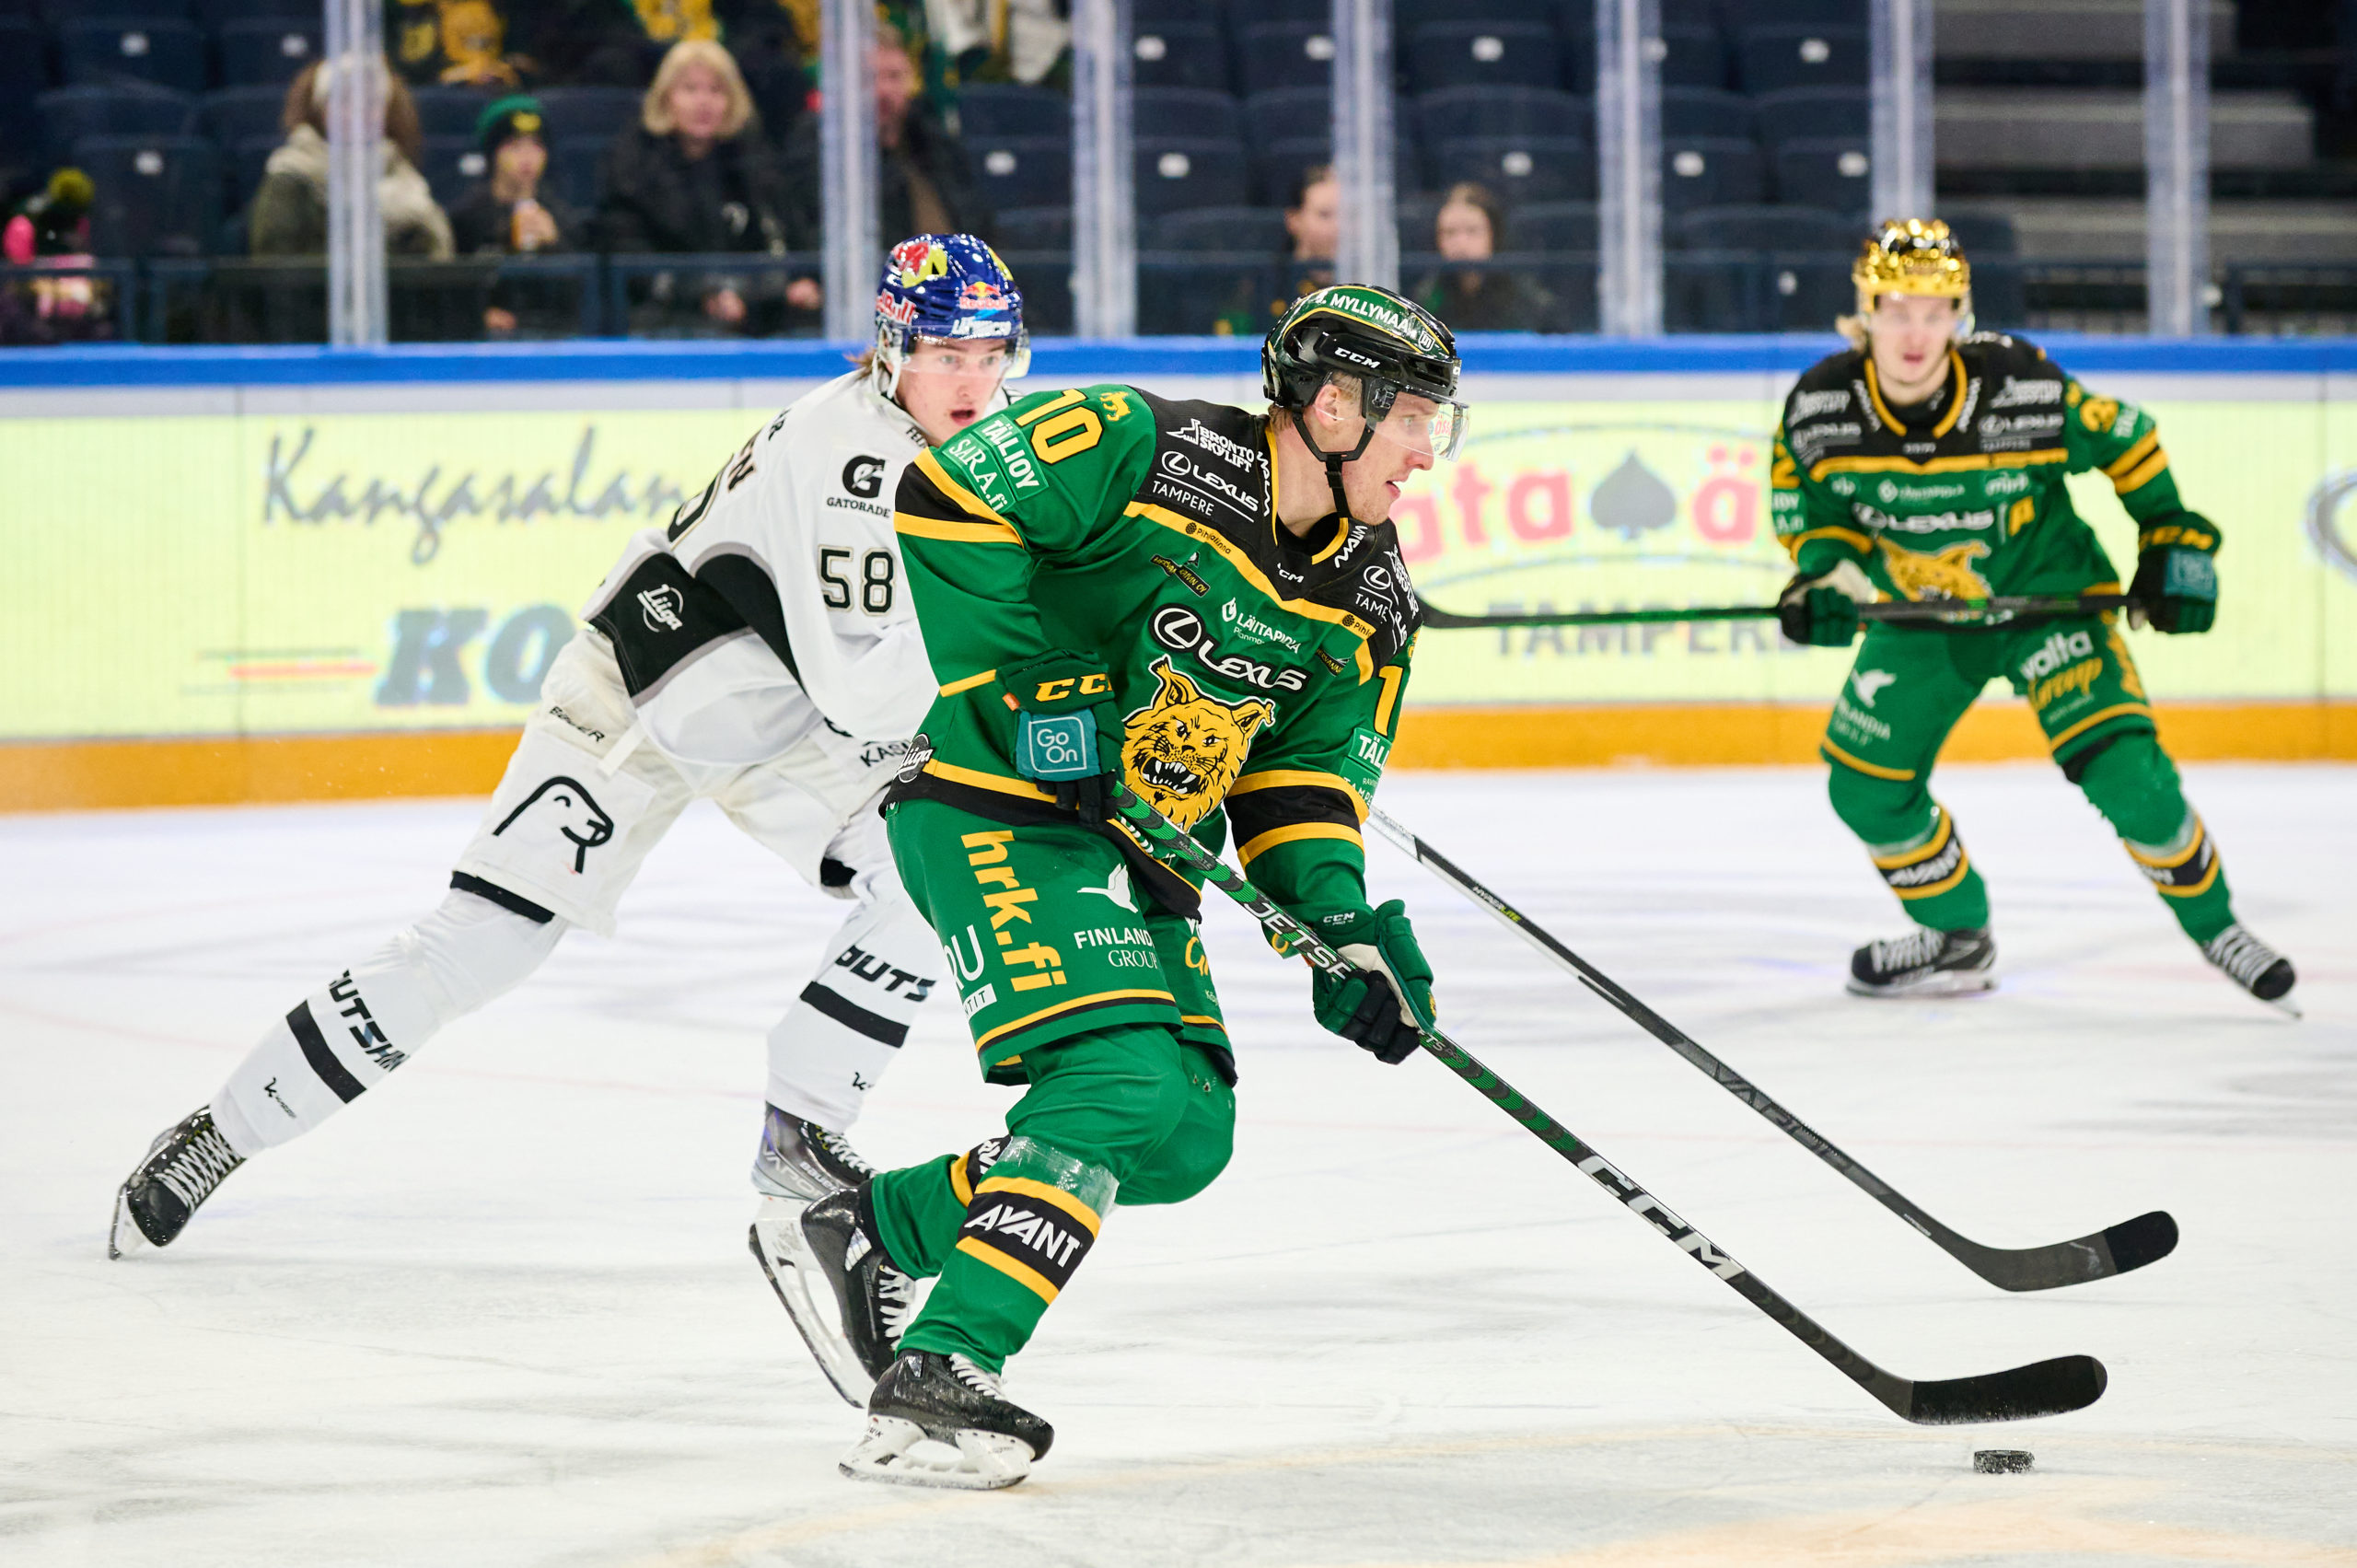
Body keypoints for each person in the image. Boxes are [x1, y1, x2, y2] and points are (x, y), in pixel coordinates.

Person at [109, 238, 1032, 1281]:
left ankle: (801, 1127)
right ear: (890, 347)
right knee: (481, 943)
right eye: (945, 351)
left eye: (991, 350)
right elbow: (866, 691)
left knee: (927, 874)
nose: (972, 377)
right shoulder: (847, 455)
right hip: (645, 690)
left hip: (782, 714)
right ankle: (223, 1132)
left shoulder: (988, 437)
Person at [763, 285, 1467, 1490]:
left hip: (1141, 851)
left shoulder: (1371, 597)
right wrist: (1040, 692)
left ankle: (873, 1223)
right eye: (1412, 419)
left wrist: (1343, 932)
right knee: (1117, 1077)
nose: (1424, 452)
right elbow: (948, 495)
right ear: (1334, 403)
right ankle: (936, 1377)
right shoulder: (1150, 446)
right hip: (994, 803)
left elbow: (1299, 789)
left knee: (1185, 1131)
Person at [1772, 218, 2298, 1011]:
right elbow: (1817, 518)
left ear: (1959, 314)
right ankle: (1956, 934)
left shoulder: (2018, 383)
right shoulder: (1819, 408)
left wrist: (2171, 539)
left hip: (2050, 603)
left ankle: (2217, 926)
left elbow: (2130, 440)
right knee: (1865, 790)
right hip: (1923, 616)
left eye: (1935, 309)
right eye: (1899, 309)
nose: (1917, 332)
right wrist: (1826, 581)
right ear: (1867, 311)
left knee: (2134, 782)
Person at [598, 39, 815, 331]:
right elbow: (630, 258)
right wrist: (704, 294)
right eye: (690, 89)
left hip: (754, 313)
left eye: (716, 90)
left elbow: (785, 236)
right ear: (665, 98)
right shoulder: (632, 164)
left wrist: (799, 282)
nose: (704, 102)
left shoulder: (753, 160)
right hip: (667, 319)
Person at [784, 24, 994, 256]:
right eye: (870, 78)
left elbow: (979, 223)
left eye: (894, 77)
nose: (883, 90)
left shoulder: (935, 142)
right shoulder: (821, 145)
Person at [249, 59, 454, 260]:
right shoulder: (291, 177)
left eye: (371, 101)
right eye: (345, 99)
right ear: (320, 108)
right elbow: (278, 266)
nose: (358, 110)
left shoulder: (406, 178)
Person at [446, 96, 583, 335]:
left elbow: (581, 297)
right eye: (514, 145)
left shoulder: (561, 215)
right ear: (493, 153)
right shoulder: (466, 217)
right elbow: (448, 292)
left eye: (537, 145)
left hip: (551, 340)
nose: (527, 157)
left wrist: (555, 245)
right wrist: (479, 315)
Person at [1411, 181, 1561, 333]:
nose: (1461, 243)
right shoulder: (1427, 300)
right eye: (1449, 232)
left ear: (1494, 235)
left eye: (1472, 231)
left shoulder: (1529, 301)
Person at [1213, 163, 1335, 336]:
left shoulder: (1375, 285)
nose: (1340, 227)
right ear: (1294, 220)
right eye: (1325, 215)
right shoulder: (1258, 292)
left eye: (1352, 215)